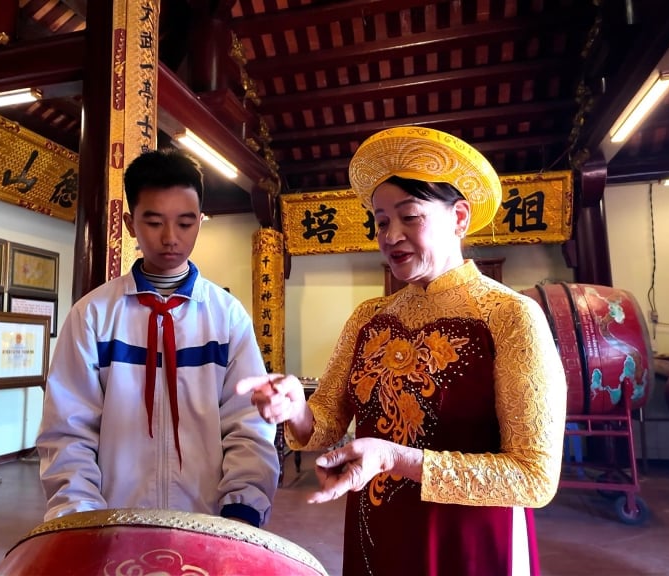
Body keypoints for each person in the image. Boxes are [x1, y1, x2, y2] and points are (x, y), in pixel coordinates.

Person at [239, 127, 567, 575]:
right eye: (380, 220)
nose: (390, 235)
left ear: (460, 218)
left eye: (409, 217)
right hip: (377, 530)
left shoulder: (510, 316)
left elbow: (533, 477)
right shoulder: (368, 317)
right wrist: (295, 407)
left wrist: (396, 458)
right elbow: (323, 427)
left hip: (469, 541)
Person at [38, 149, 279, 528]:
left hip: (210, 524)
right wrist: (81, 518)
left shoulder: (227, 317)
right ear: (130, 223)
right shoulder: (93, 316)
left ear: (201, 221)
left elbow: (248, 424)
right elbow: (68, 430)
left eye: (185, 223)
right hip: (112, 525)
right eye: (154, 222)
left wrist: (242, 509)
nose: (170, 238)